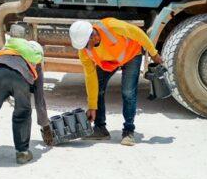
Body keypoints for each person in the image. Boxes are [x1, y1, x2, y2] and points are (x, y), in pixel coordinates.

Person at [68, 17, 161, 146]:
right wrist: (92, 107)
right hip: (110, 62)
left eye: (85, 45)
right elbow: (91, 78)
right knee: (98, 88)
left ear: (93, 36)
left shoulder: (111, 26)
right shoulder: (84, 52)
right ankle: (100, 128)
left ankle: (128, 130)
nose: (84, 49)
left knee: (128, 92)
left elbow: (138, 33)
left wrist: (154, 53)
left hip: (131, 55)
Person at [0, 35, 52, 165]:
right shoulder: (37, 62)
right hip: (21, 80)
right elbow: (40, 99)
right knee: (22, 113)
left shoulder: (7, 49)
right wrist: (45, 126)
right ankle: (22, 153)